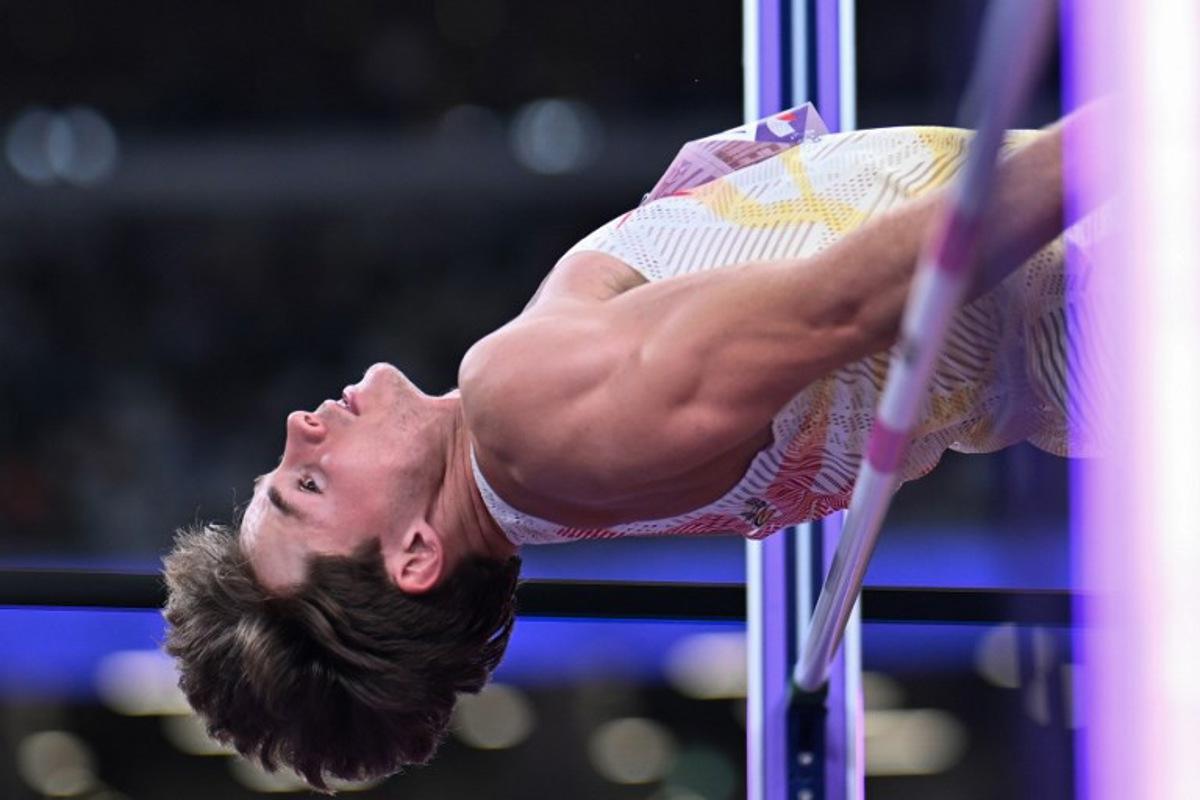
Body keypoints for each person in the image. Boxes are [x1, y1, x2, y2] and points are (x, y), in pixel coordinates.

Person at [162, 105, 1106, 790]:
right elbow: (861, 299)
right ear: (414, 555)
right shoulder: (531, 414)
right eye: (309, 485)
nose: (299, 427)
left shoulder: (553, 458)